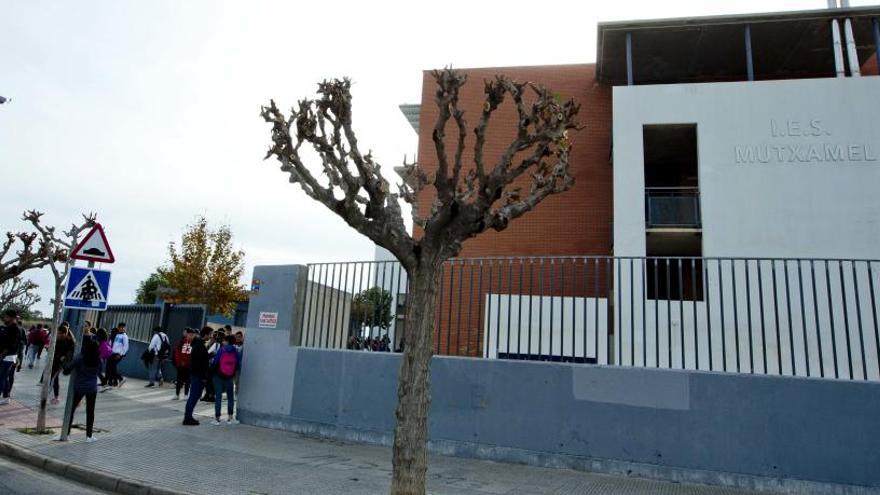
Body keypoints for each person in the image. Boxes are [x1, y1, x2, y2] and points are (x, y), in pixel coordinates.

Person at [61, 335, 101, 442]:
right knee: (90, 412)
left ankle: (67, 433)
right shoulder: (98, 360)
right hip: (92, 388)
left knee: (72, 409)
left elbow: (66, 371)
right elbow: (100, 374)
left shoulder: (80, 357)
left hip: (79, 388)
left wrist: (64, 361)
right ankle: (89, 436)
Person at [183, 327, 212, 426]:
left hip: (196, 374)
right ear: (206, 334)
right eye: (210, 334)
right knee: (194, 396)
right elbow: (200, 363)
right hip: (198, 375)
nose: (211, 336)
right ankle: (188, 417)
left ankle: (188, 416)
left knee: (194, 395)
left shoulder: (198, 344)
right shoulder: (200, 345)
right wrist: (203, 376)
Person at [211, 334, 240, 425]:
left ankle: (217, 418)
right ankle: (230, 417)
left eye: (224, 340)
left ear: (227, 341)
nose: (223, 342)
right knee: (230, 397)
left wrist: (212, 370)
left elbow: (215, 362)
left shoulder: (222, 349)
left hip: (218, 376)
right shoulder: (235, 350)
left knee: (218, 397)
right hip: (229, 377)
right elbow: (238, 364)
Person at [49, 325, 76, 405]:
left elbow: (71, 352)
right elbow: (54, 350)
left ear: (65, 333)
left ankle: (74, 398)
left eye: (60, 333)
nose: (58, 334)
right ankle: (55, 396)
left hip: (65, 363)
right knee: (54, 378)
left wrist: (64, 356)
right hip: (56, 361)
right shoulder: (56, 340)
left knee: (54, 378)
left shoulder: (70, 341)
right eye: (58, 333)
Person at [0, 310, 22, 406]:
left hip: (8, 357)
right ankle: (6, 396)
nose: (4, 318)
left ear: (12, 318)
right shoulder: (6, 328)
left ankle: (5, 397)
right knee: (4, 377)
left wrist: (3, 354)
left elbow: (12, 345)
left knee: (2, 377)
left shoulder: (15, 329)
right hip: (4, 356)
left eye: (6, 317)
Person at [201, 331, 223, 402]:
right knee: (208, 381)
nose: (216, 338)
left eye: (218, 336)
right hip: (212, 365)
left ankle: (211, 395)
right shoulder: (216, 344)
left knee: (212, 381)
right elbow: (208, 353)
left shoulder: (220, 345)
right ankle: (208, 394)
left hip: (216, 366)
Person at [172, 328, 194, 400]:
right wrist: (180, 362)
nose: (190, 336)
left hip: (189, 365)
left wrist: (189, 363)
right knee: (179, 379)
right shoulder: (181, 342)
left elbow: (193, 354)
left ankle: (186, 394)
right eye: (189, 335)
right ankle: (177, 394)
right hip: (181, 364)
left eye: (192, 335)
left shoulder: (194, 343)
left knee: (188, 380)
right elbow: (177, 353)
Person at [106, 322, 129, 387]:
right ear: (118, 328)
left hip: (118, 354)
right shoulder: (116, 335)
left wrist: (120, 354)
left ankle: (121, 378)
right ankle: (114, 382)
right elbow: (111, 343)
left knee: (112, 367)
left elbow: (126, 347)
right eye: (120, 327)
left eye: (123, 327)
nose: (121, 329)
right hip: (112, 353)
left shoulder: (125, 336)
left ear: (124, 328)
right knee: (111, 367)